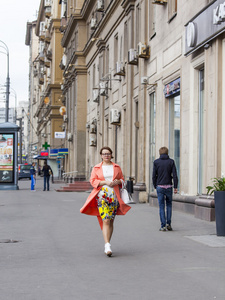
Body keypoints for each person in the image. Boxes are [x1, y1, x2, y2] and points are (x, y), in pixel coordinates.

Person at [80, 146, 131, 257]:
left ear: (111, 155)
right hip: (102, 197)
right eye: (104, 154)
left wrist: (118, 181)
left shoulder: (116, 167)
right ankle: (107, 245)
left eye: (108, 153)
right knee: (106, 220)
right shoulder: (97, 168)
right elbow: (93, 181)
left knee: (111, 220)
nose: (106, 155)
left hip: (114, 196)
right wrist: (105, 182)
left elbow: (122, 180)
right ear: (101, 155)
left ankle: (108, 242)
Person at [152, 146, 178, 231]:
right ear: (167, 153)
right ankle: (168, 224)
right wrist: (175, 187)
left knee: (161, 206)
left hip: (160, 186)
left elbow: (154, 176)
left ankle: (163, 225)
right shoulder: (171, 162)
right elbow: (174, 175)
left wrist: (155, 185)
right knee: (169, 205)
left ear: (160, 153)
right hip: (169, 186)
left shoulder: (156, 162)